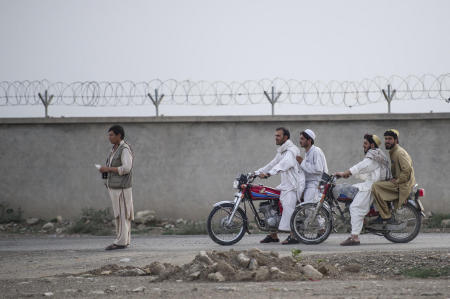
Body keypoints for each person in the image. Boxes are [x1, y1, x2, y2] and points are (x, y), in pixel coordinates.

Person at [335, 134, 391, 246]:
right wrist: (349, 175)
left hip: (372, 187)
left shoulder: (373, 156)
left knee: (355, 207)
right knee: (352, 191)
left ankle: (354, 237)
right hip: (370, 184)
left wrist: (346, 173)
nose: (363, 146)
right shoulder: (376, 154)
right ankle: (362, 221)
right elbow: (366, 172)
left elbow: (362, 166)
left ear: (372, 144)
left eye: (365, 143)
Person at [255, 127, 305, 245]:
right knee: (271, 201)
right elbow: (272, 163)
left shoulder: (291, 151)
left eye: (278, 136)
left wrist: (268, 174)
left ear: (285, 137)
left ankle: (293, 236)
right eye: (275, 135)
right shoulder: (282, 151)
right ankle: (273, 235)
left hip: (294, 185)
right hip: (285, 184)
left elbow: (283, 164)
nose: (275, 138)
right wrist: (255, 173)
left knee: (288, 207)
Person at [99, 125, 134, 250]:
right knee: (119, 214)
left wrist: (108, 169)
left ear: (119, 135)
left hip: (122, 188)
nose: (109, 137)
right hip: (114, 187)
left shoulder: (124, 149)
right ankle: (123, 240)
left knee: (123, 214)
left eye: (111, 135)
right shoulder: (114, 149)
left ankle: (121, 242)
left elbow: (126, 168)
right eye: (109, 135)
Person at [371, 129, 415, 224]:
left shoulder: (399, 153)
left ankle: (386, 216)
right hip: (400, 182)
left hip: (403, 185)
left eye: (390, 139)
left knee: (375, 186)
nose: (387, 141)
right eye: (386, 139)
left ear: (396, 140)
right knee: (381, 184)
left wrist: (397, 181)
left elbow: (407, 171)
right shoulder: (393, 152)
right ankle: (383, 212)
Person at [296, 129, 328, 203]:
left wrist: (302, 162)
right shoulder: (307, 153)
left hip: (315, 186)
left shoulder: (316, 151)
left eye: (302, 139)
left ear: (309, 140)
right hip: (309, 185)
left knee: (309, 210)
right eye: (300, 139)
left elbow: (318, 169)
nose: (300, 141)